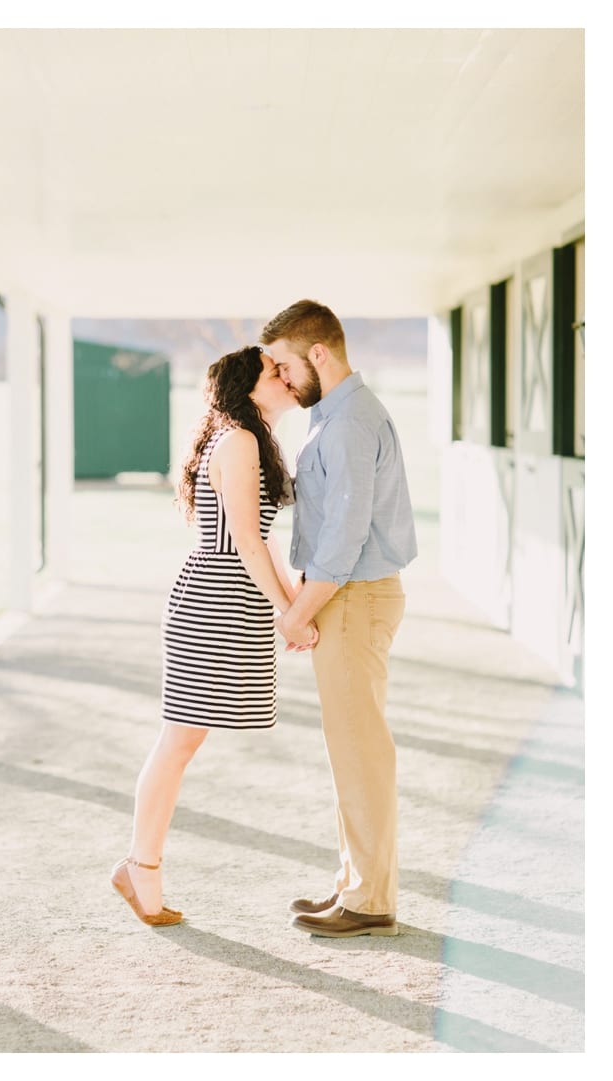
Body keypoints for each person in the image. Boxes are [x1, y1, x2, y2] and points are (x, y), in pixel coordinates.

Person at [111, 345, 306, 925]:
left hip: (231, 597)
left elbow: (263, 537)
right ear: (249, 387)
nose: (288, 378)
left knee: (183, 739)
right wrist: (287, 611)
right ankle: (141, 870)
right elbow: (247, 541)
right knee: (179, 738)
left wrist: (291, 606)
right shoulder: (240, 442)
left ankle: (140, 869)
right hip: (215, 599)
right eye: (276, 372)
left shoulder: (251, 438)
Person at [260, 299, 416, 938]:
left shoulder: (350, 423)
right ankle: (357, 885)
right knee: (351, 749)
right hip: (349, 597)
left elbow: (347, 536)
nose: (284, 379)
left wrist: (299, 612)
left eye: (285, 366)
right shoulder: (336, 417)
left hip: (354, 597)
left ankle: (370, 900)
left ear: (318, 353)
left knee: (360, 752)